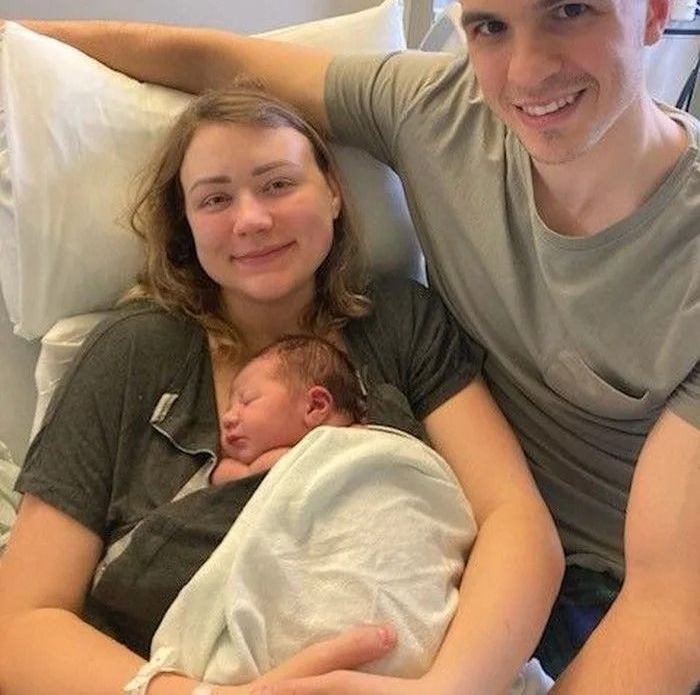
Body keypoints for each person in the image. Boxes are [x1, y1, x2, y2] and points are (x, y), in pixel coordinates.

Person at [20, 0, 699, 692]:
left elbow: (665, 604)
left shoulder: (399, 328)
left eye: (571, 10)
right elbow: (212, 59)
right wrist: (20, 41)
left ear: (657, 7)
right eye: (489, 25)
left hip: (611, 585)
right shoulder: (437, 112)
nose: (527, 71)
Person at [0, 86, 563, 695]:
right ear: (186, 223)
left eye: (277, 184)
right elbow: (22, 624)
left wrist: (445, 689)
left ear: (334, 191)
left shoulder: (400, 323)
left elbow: (517, 523)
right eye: (215, 198)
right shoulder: (133, 352)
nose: (252, 220)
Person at [210, 333, 367, 484]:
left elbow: (238, 478)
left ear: (314, 406)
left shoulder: (285, 460)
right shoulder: (362, 438)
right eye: (229, 408)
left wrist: (227, 470)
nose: (227, 418)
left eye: (247, 401)